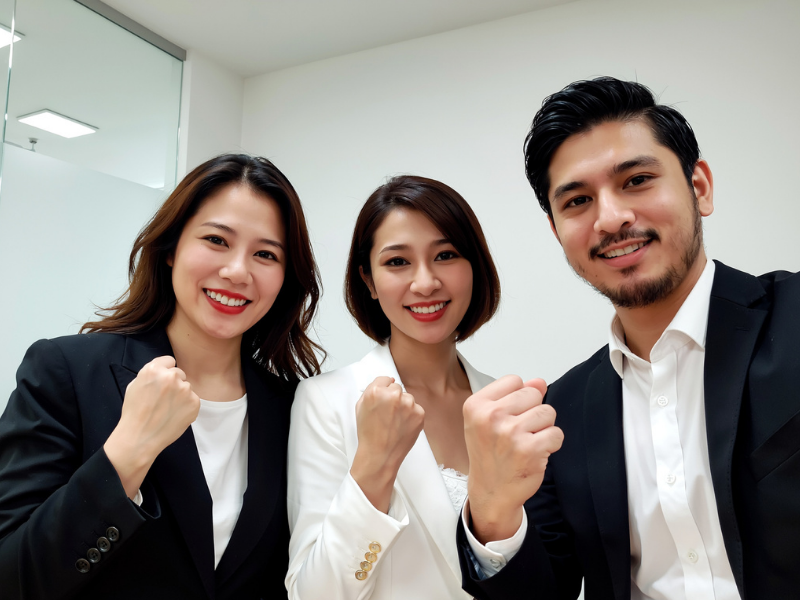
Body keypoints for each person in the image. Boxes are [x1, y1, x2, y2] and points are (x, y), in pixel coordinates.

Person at [457, 77, 800, 600]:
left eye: (637, 179)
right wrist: (490, 508)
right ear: (557, 231)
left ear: (699, 187)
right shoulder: (560, 411)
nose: (611, 218)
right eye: (577, 201)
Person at [0, 154, 323, 599]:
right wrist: (130, 449)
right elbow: (12, 577)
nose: (237, 271)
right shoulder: (66, 371)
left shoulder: (294, 407)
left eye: (265, 254)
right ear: (171, 249)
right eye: (216, 240)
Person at [286, 175, 501, 599]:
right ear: (368, 280)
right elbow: (314, 593)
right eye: (397, 262)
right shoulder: (326, 401)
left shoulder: (503, 404)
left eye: (446, 255)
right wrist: (374, 465)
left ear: (474, 265)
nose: (425, 283)